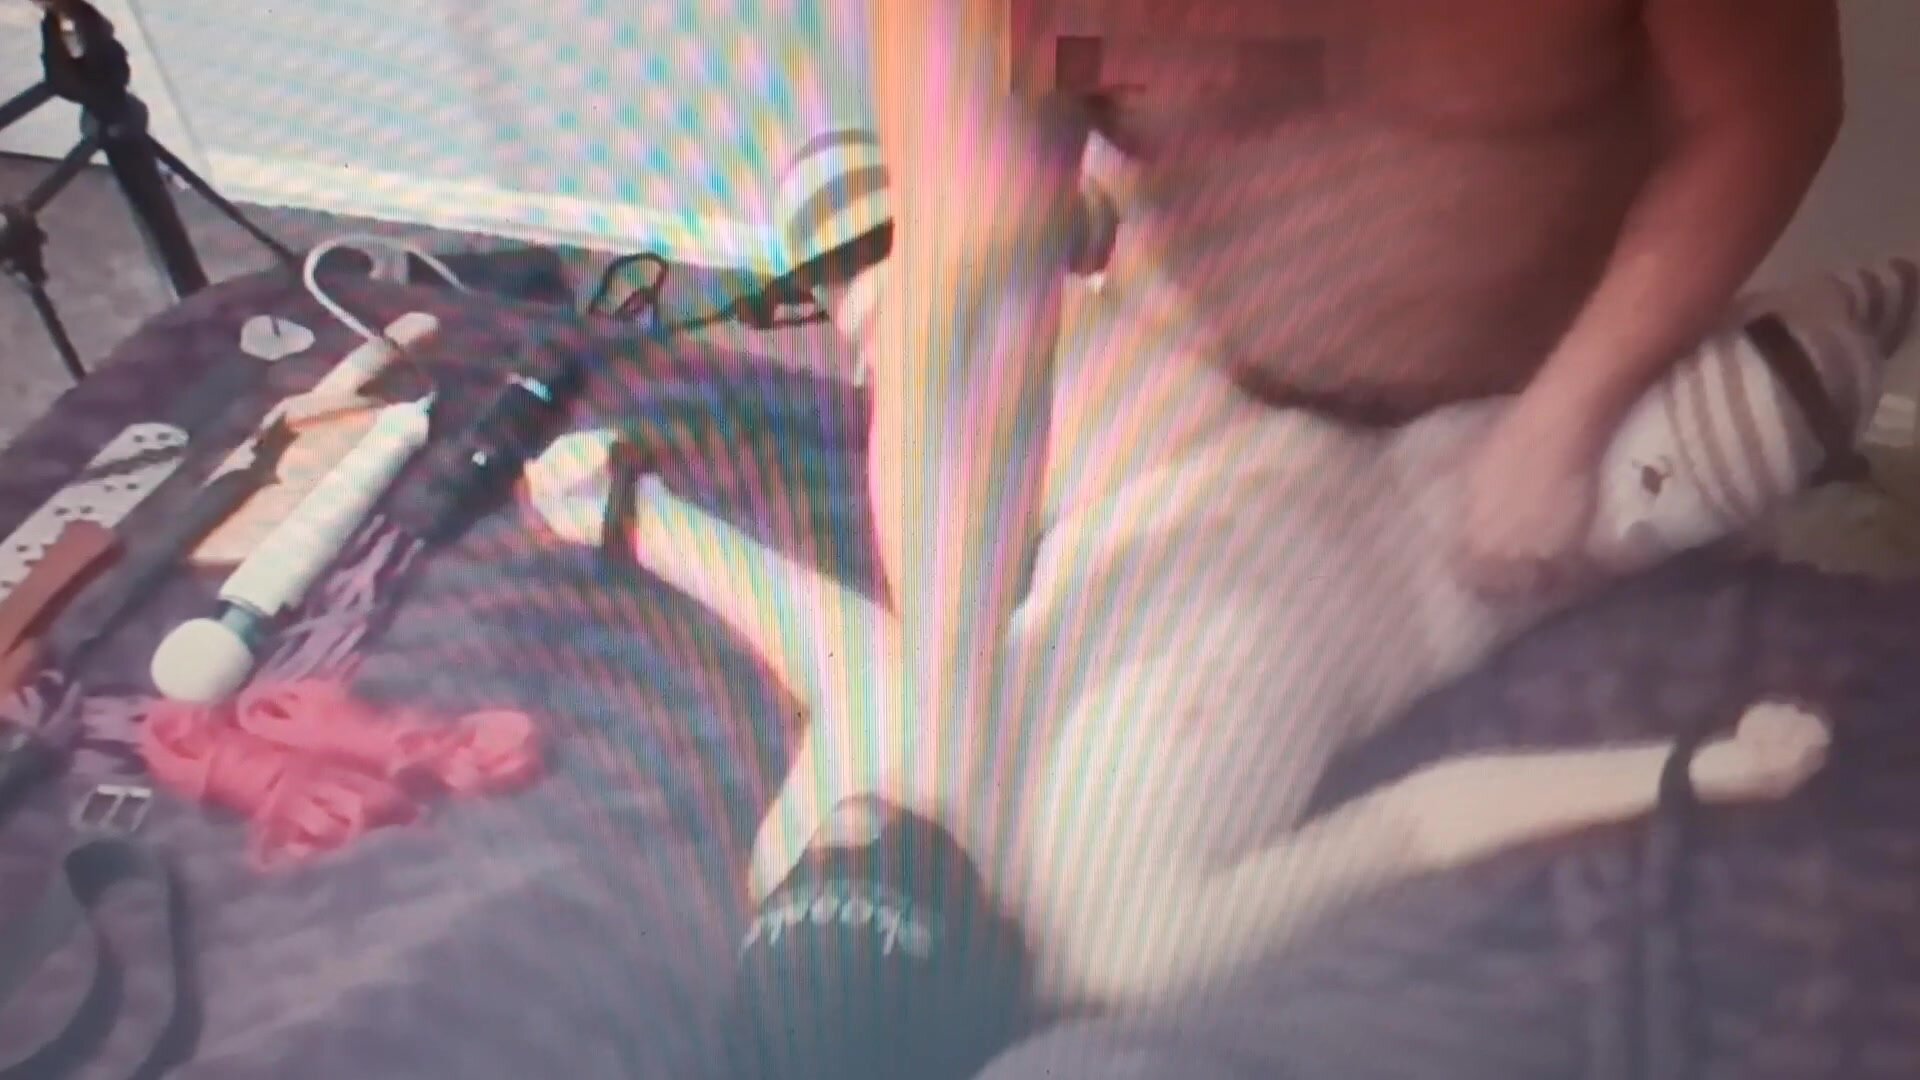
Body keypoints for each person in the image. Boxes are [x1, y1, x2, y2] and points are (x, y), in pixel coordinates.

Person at [853, 1, 1843, 833]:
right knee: (1054, 818)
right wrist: (950, 697)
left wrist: (1566, 420)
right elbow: (970, 285)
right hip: (1181, 381)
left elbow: (1768, 112)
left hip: (1536, 406)